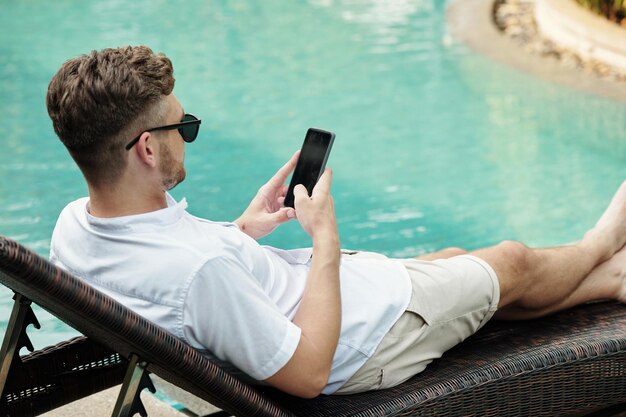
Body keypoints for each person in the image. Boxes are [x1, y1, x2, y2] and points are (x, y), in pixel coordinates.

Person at [46, 46, 626, 399]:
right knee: (513, 260)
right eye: (184, 127)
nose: (191, 136)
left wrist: (243, 229)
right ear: (147, 149)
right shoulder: (201, 275)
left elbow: (179, 277)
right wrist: (325, 239)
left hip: (303, 299)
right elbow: (308, 375)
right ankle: (604, 240)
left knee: (453, 259)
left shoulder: (76, 227)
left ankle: (611, 280)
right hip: (357, 346)